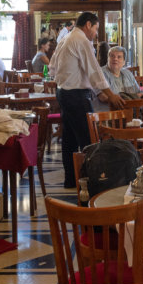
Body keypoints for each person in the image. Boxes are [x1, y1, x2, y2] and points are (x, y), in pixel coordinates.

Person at [49, 12, 124, 188]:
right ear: (88, 25)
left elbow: (52, 67)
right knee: (89, 140)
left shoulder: (66, 38)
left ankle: (71, 180)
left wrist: (96, 91)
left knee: (69, 140)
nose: (96, 33)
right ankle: (93, 183)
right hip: (75, 95)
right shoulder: (81, 40)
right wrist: (111, 95)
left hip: (63, 93)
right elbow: (94, 71)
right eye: (96, 28)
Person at [93, 46, 142, 111]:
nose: (115, 59)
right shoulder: (100, 73)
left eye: (119, 57)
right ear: (108, 59)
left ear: (124, 62)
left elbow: (138, 92)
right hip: (108, 116)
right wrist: (130, 99)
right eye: (112, 56)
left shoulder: (128, 73)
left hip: (129, 114)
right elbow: (103, 97)